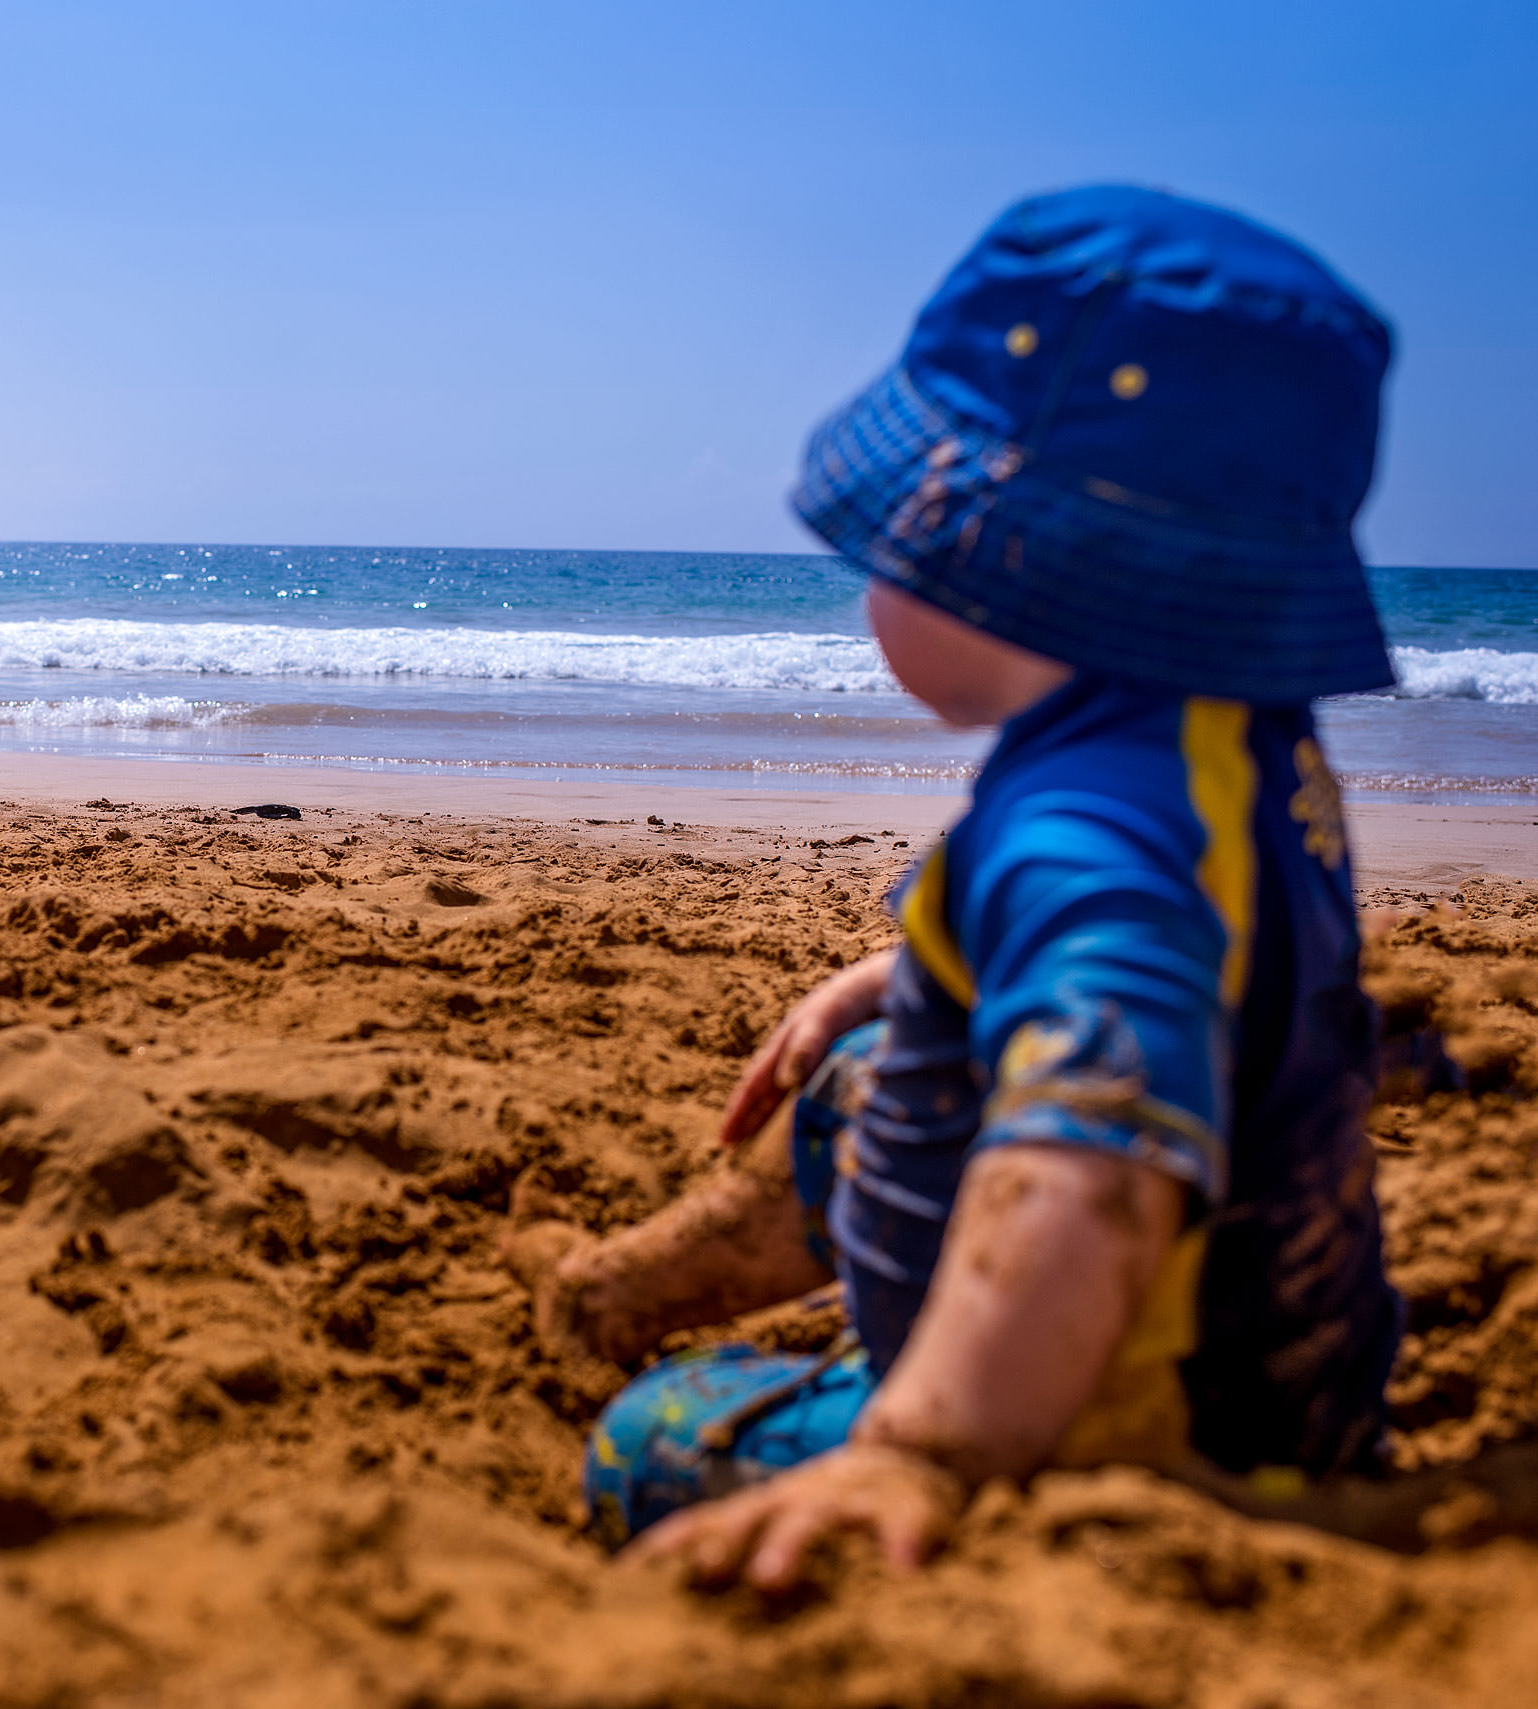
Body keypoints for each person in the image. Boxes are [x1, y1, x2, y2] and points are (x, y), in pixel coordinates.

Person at [506, 185, 1404, 1592]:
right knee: (868, 1062)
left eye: (899, 531)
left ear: (1000, 541)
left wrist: (921, 1452)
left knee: (646, 1443)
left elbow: (1094, 1153)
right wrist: (913, 973)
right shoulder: (1223, 741)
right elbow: (1204, 967)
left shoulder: (1087, 830)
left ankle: (904, 1392)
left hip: (1132, 1440)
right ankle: (614, 1292)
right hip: (1284, 1361)